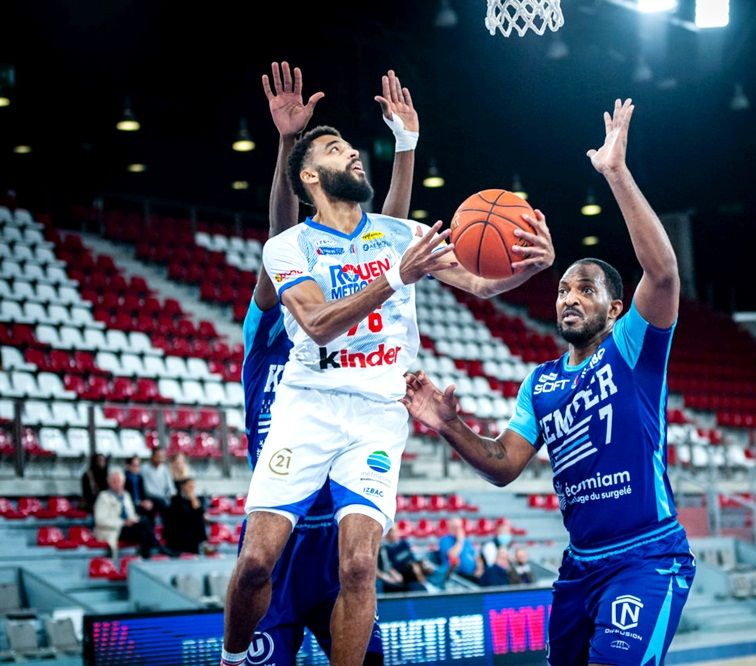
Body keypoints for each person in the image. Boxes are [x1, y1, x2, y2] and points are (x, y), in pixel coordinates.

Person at [226, 60, 555, 665]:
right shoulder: (288, 246)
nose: (353, 151)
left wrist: (530, 267)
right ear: (309, 176)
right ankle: (230, 658)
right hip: (309, 406)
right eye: (336, 148)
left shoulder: (398, 233)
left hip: (377, 414)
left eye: (352, 146)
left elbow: (482, 284)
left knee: (359, 566)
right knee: (252, 565)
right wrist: (394, 278)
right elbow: (319, 322)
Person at [403, 99, 694, 665]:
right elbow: (504, 465)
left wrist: (616, 173)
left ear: (615, 309)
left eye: (585, 289)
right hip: (579, 566)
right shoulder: (540, 383)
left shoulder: (632, 349)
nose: (569, 298)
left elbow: (662, 274)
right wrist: (448, 425)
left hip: (646, 558)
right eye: (563, 290)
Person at [222, 62, 432, 666]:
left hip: (334, 536)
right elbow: (282, 232)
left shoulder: (356, 275)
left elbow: (382, 240)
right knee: (255, 573)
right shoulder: (269, 322)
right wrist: (288, 143)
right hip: (282, 536)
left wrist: (405, 148)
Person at [93, 467, 163, 558]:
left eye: (119, 481)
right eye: (114, 481)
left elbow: (131, 514)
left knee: (144, 523)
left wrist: (133, 520)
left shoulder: (126, 495)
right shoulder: (103, 497)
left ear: (123, 482)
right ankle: (155, 550)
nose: (117, 484)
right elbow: (100, 520)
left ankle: (148, 554)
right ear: (109, 483)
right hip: (112, 530)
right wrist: (123, 522)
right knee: (143, 526)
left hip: (127, 527)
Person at [380, 525, 430, 592]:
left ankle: (428, 586)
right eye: (389, 533)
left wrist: (418, 565)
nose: (392, 534)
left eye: (394, 532)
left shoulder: (404, 543)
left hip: (411, 568)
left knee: (424, 567)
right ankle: (426, 586)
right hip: (399, 571)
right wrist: (395, 575)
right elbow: (388, 566)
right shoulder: (385, 548)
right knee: (414, 570)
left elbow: (412, 558)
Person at [164, 477, 207, 554]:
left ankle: (202, 543)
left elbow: (200, 512)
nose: (191, 488)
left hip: (191, 528)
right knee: (196, 520)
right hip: (179, 527)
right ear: (183, 487)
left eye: (193, 486)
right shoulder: (175, 499)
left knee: (199, 519)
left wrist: (193, 499)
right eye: (189, 486)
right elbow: (181, 515)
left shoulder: (197, 499)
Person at [140, 447, 174, 517]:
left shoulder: (164, 469)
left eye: (162, 457)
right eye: (158, 456)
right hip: (151, 497)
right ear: (152, 457)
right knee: (163, 503)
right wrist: (163, 497)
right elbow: (147, 490)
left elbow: (170, 486)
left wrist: (171, 493)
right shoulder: (144, 468)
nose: (160, 459)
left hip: (165, 497)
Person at [124, 455, 155, 520]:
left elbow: (143, 493)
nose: (137, 468)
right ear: (128, 466)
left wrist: (146, 501)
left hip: (141, 503)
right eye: (135, 465)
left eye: (139, 465)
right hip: (130, 504)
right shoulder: (124, 478)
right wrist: (139, 503)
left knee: (152, 505)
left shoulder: (140, 478)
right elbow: (126, 497)